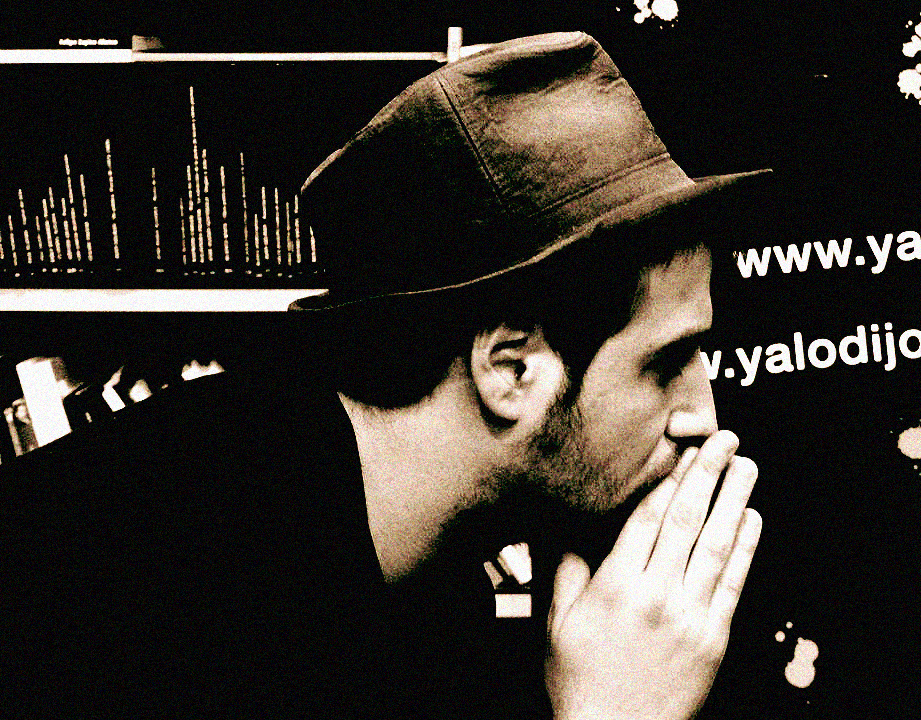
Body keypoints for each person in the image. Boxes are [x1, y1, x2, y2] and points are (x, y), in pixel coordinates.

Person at [1, 31, 766, 720]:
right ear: (511, 369)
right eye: (666, 363)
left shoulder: (433, 575)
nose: (703, 415)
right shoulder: (163, 574)